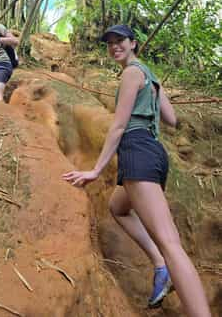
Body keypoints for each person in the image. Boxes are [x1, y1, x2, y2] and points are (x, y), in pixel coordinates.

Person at [63, 24, 211, 316]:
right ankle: (160, 266)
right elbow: (170, 118)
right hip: (155, 154)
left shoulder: (132, 72)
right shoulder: (148, 76)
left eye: (120, 41)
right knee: (118, 207)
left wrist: (95, 170)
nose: (115, 46)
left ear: (133, 43)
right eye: (110, 43)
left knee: (172, 244)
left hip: (137, 151)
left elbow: (118, 126)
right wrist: (156, 86)